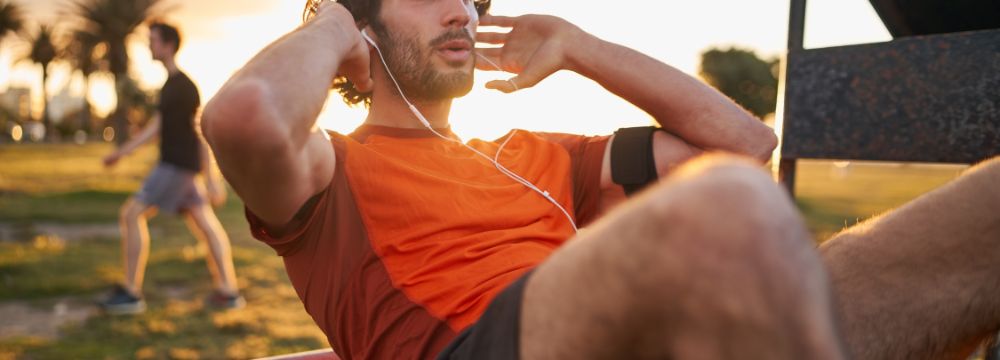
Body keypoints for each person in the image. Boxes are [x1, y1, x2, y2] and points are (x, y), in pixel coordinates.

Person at [201, 0, 1000, 359]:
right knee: (724, 212)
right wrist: (334, 18)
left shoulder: (538, 154)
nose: (465, 13)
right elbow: (244, 120)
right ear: (360, 29)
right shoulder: (329, 170)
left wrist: (580, 45)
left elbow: (743, 141)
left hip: (642, 339)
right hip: (484, 350)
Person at [101, 22, 244, 315]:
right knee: (206, 225)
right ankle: (229, 291)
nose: (149, 45)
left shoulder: (184, 87)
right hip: (181, 168)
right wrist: (123, 153)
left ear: (168, 45)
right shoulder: (170, 86)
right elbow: (158, 127)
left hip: (176, 166)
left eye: (153, 40)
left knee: (131, 214)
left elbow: (198, 131)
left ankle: (131, 293)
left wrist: (212, 178)